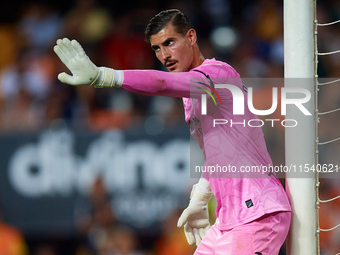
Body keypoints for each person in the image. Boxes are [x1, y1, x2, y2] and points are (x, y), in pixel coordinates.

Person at [54, 9, 292, 255]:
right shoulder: (191, 99)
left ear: (191, 37)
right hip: (229, 219)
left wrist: (104, 76)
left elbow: (161, 83)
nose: (164, 55)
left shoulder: (218, 74)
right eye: (157, 48)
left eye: (169, 43)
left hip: (258, 214)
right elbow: (221, 154)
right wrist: (199, 199)